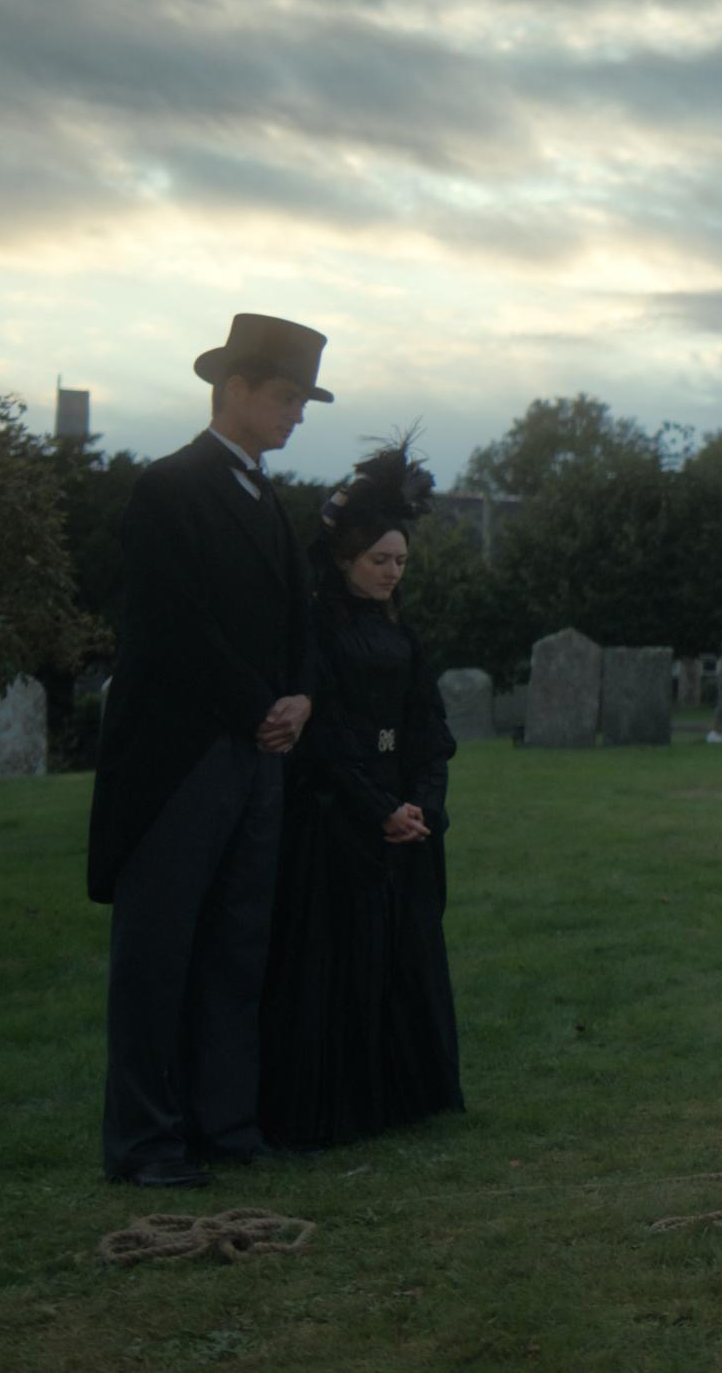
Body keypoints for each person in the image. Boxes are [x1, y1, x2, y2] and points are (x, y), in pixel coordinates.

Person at [88, 313, 329, 1188]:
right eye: (285, 397)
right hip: (180, 757)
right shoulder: (169, 488)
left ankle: (223, 1123)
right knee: (159, 951)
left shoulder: (266, 497)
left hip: (257, 755)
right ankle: (147, 1141)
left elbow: (300, 619)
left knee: (235, 943)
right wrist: (260, 705)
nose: (295, 415)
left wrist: (302, 695)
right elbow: (172, 626)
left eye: (301, 401)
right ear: (233, 390)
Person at [258, 441, 464, 1149]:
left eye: (401, 561)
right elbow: (324, 736)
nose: (392, 572)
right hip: (335, 818)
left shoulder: (401, 634)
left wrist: (421, 805)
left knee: (403, 951)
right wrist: (378, 809)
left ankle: (405, 1098)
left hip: (403, 813)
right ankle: (340, 1106)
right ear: (347, 558)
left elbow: (429, 729)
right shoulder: (317, 631)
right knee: (339, 958)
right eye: (381, 560)